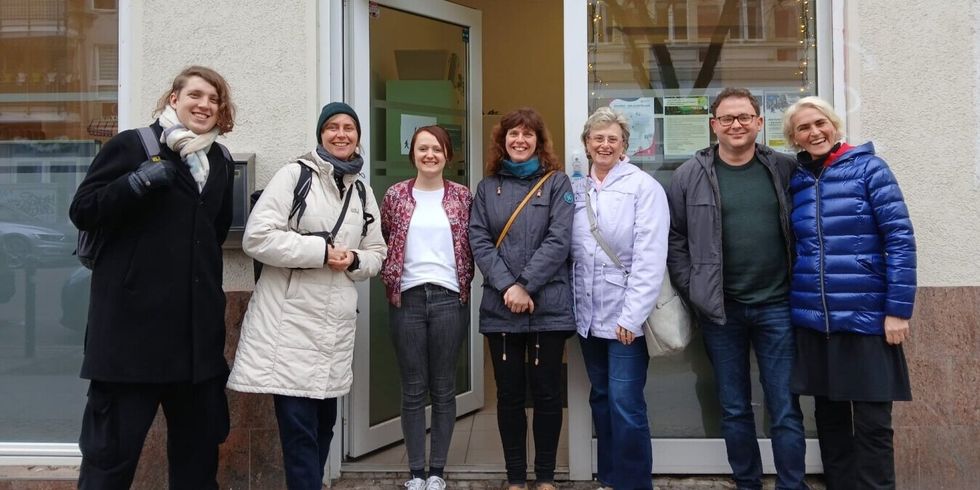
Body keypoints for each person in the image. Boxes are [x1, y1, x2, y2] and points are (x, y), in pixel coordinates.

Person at [69, 65, 237, 489]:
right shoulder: (133, 145)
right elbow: (83, 209)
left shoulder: (219, 160)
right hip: (131, 345)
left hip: (195, 350)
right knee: (109, 465)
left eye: (213, 100)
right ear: (173, 99)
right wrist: (137, 183)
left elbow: (211, 235)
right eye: (195, 95)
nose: (204, 105)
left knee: (197, 469)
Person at [226, 102, 387, 489]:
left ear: (358, 136)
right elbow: (257, 238)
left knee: (323, 427)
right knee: (299, 434)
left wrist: (352, 260)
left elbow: (378, 252)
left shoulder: (361, 190)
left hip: (333, 330)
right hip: (290, 327)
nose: (341, 134)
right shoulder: (293, 176)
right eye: (332, 126)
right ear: (320, 134)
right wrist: (321, 252)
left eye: (349, 127)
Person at [666, 87, 808, 489]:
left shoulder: (783, 169)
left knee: (783, 406)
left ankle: (791, 484)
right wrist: (694, 287)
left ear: (759, 123)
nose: (736, 125)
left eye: (744, 117)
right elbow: (675, 239)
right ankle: (748, 482)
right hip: (720, 310)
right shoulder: (689, 174)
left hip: (778, 306)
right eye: (727, 118)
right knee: (733, 408)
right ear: (713, 126)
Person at [783, 96, 916, 490]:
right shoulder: (799, 180)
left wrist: (898, 310)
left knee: (874, 424)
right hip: (817, 321)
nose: (815, 132)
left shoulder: (869, 169)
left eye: (820, 123)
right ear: (794, 138)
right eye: (804, 128)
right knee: (830, 422)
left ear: (834, 125)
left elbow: (900, 238)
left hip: (867, 317)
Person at [469, 108, 574, 490]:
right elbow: (479, 241)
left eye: (528, 134)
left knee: (547, 395)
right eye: (513, 134)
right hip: (501, 310)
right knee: (509, 397)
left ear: (539, 142)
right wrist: (508, 287)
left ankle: (544, 477)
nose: (520, 140)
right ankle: (515, 478)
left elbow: (559, 240)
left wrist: (525, 285)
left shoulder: (559, 184)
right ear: (503, 140)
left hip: (549, 307)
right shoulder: (486, 188)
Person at [571, 107, 668, 490]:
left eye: (613, 138)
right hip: (587, 316)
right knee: (601, 398)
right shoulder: (577, 187)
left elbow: (650, 257)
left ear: (625, 144)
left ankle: (634, 482)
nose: (605, 145)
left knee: (626, 405)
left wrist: (632, 317)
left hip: (626, 319)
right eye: (598, 138)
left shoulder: (643, 187)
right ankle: (610, 478)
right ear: (587, 143)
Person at [379, 125, 474, 490]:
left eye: (437, 148)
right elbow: (387, 238)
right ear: (413, 154)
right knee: (414, 388)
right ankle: (416, 472)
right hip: (408, 299)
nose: (430, 154)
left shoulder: (463, 197)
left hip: (450, 298)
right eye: (423, 148)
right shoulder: (396, 196)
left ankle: (437, 471)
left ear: (447, 155)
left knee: (444, 387)